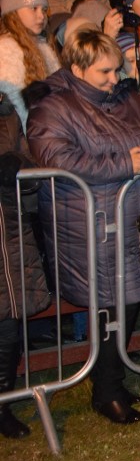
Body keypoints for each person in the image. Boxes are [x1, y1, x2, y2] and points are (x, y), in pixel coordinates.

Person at [27, 30, 140, 424]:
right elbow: (58, 161)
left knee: (130, 299)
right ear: (77, 69)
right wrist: (126, 165)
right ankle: (106, 390)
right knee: (111, 303)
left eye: (117, 69)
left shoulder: (126, 97)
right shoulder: (52, 108)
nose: (115, 78)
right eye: (104, 71)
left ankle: (112, 380)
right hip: (90, 224)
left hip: (132, 219)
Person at [0, 88, 51, 438]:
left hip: (9, 232)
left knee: (8, 319)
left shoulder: (8, 113)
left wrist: (17, 166)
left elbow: (33, 169)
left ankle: (3, 402)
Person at [0, 0, 61, 131]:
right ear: (12, 12)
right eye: (33, 8)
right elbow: (19, 110)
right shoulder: (6, 50)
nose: (41, 16)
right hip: (32, 143)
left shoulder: (43, 46)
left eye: (44, 10)